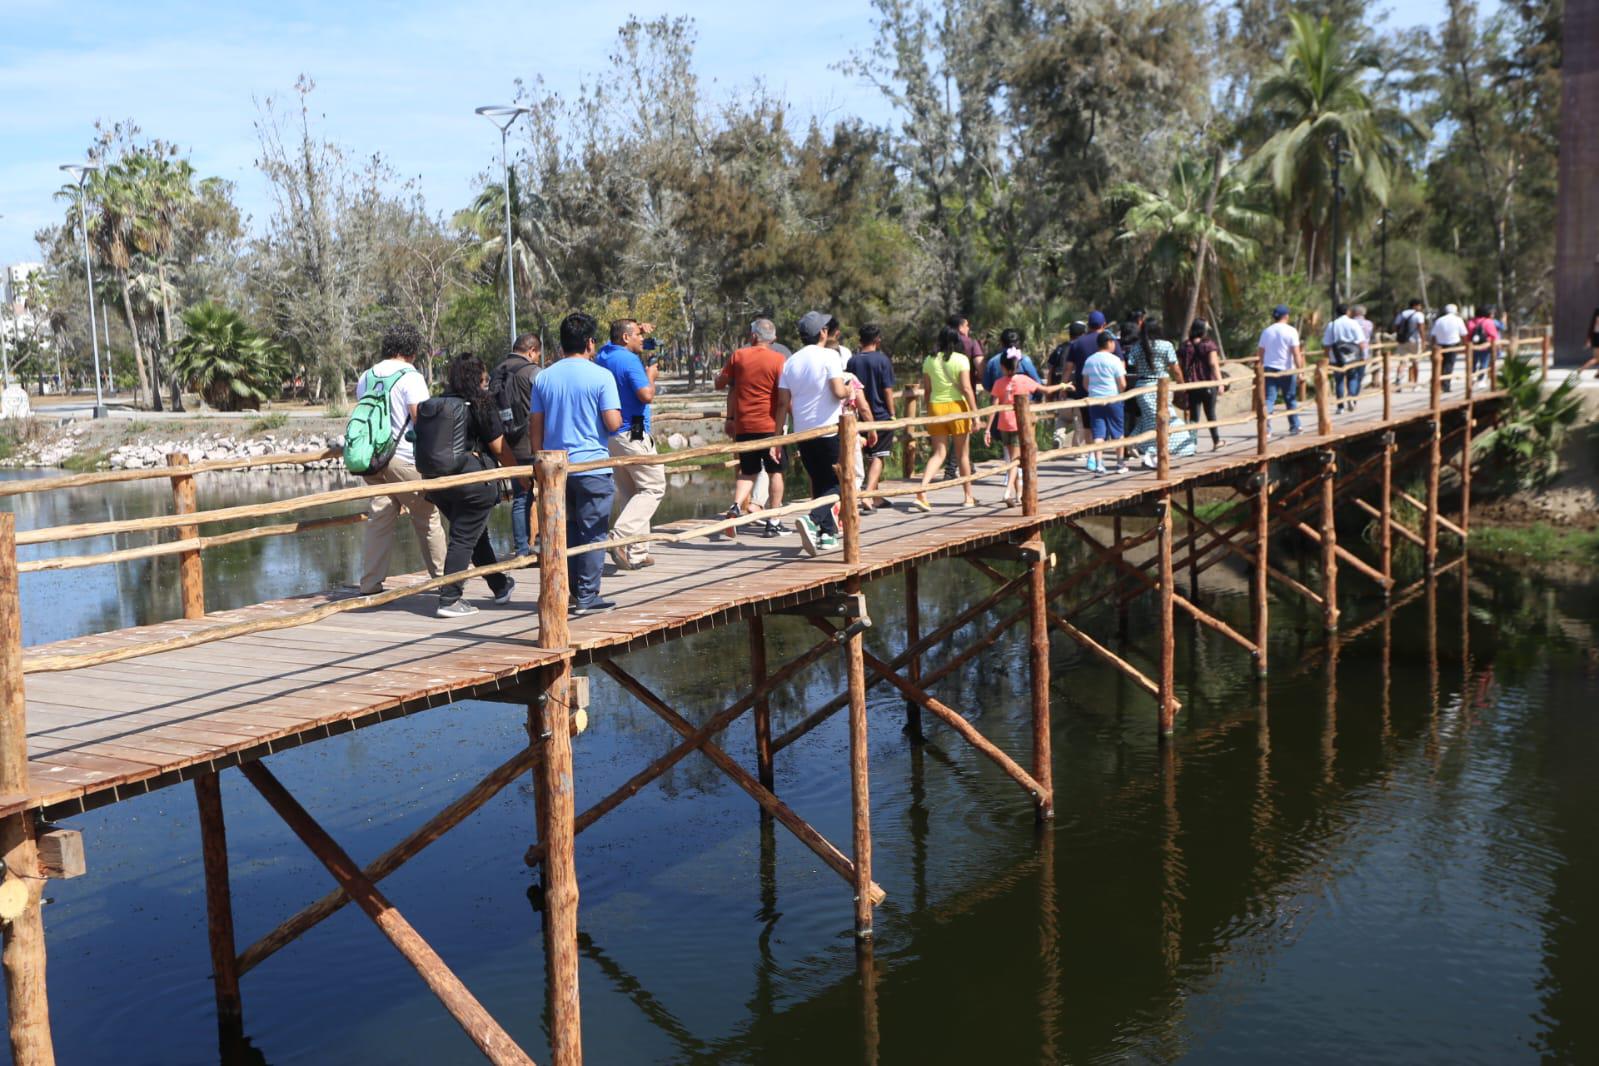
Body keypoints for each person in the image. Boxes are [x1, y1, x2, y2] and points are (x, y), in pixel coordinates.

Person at [529, 312, 623, 616]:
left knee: (564, 531)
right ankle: (587, 596)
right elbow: (612, 422)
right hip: (592, 466)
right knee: (593, 531)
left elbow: (536, 425)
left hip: (556, 470)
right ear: (590, 343)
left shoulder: (544, 376)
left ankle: (569, 593)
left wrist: (537, 463)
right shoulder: (601, 376)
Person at [423, 353, 521, 618]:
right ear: (477, 377)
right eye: (484, 377)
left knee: (474, 535)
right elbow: (499, 447)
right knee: (464, 537)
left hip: (437, 483)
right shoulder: (479, 402)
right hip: (472, 483)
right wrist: (519, 475)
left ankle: (500, 586)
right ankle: (449, 599)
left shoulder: (437, 403)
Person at [354, 322, 447, 595]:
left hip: (373, 460)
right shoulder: (411, 376)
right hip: (403, 459)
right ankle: (446, 583)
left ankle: (370, 584)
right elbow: (420, 420)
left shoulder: (366, 376)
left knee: (380, 518)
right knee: (427, 516)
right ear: (412, 350)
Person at [772, 310, 850, 556]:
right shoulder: (829, 356)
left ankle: (827, 534)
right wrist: (851, 390)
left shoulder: (791, 362)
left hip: (803, 433)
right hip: (828, 430)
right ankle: (812, 519)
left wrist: (778, 439)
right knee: (842, 481)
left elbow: (783, 403)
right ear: (823, 332)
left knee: (820, 481)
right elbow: (838, 391)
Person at [595, 319, 664, 570]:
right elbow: (646, 395)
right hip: (633, 429)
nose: (641, 340)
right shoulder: (629, 361)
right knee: (653, 487)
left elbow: (612, 336)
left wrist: (636, 327)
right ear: (625, 338)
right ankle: (619, 538)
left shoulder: (604, 354)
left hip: (612, 433)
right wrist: (651, 376)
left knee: (630, 492)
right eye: (637, 335)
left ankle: (637, 552)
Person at [716, 318, 790, 536]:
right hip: (770, 426)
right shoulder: (779, 360)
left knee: (748, 472)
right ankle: (773, 521)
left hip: (745, 426)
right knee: (775, 472)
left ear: (753, 336)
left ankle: (736, 506)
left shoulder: (738, 355)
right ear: (773, 339)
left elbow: (720, 384)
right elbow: (784, 398)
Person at [914, 324, 979, 511]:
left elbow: (927, 390)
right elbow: (966, 388)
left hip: (936, 407)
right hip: (957, 406)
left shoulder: (929, 360)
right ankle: (968, 496)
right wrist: (975, 415)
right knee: (962, 455)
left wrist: (928, 410)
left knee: (939, 453)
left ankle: (922, 490)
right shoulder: (961, 360)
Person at [496, 334, 543, 557]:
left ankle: (521, 549)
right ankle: (546, 542)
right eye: (538, 355)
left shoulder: (498, 371)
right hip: (533, 441)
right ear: (532, 351)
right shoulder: (532, 372)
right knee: (548, 492)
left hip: (506, 444)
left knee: (520, 495)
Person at [983, 349, 1044, 505]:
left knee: (1012, 460)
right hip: (1018, 425)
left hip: (1003, 425)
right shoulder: (1023, 380)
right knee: (1015, 461)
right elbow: (1044, 389)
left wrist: (988, 429)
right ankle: (1008, 492)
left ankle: (1018, 495)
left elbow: (993, 408)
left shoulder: (998, 383)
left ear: (1002, 366)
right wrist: (1063, 386)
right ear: (1017, 365)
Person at [848, 324, 898, 511]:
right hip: (879, 414)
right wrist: (892, 413)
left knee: (867, 455)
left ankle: (875, 497)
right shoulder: (882, 360)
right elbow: (887, 389)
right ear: (877, 340)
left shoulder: (853, 361)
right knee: (879, 456)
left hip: (859, 415)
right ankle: (868, 495)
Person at [1124, 317, 1183, 467]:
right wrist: (1182, 385)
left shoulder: (1137, 347)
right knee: (1160, 421)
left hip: (1143, 387)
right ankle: (1153, 456)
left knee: (1150, 419)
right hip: (1163, 387)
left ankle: (1133, 442)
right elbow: (1175, 369)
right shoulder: (1166, 345)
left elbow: (1131, 365)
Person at [1063, 310, 1110, 454]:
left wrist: (1063, 388)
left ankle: (1092, 455)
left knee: (1088, 424)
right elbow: (1121, 365)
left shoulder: (1077, 343)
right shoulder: (1109, 341)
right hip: (1107, 389)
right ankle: (1102, 455)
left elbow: (1068, 369)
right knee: (1105, 423)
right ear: (1104, 324)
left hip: (1084, 389)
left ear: (1088, 325)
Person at [1082, 330, 1128, 474]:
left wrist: (1094, 391)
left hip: (1095, 400)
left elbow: (1085, 383)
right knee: (1118, 432)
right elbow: (1123, 383)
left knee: (1098, 434)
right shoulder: (1114, 360)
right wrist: (1120, 392)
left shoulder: (1090, 360)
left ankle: (1099, 464)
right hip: (1113, 399)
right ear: (1109, 342)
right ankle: (1120, 463)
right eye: (1113, 342)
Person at [1255, 304, 1303, 435]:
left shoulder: (1267, 331)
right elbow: (1296, 353)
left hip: (1269, 368)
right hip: (1287, 369)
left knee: (1269, 399)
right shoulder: (1291, 331)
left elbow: (1260, 353)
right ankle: (1295, 426)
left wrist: (1259, 369)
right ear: (1286, 316)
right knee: (1290, 398)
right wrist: (1300, 372)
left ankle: (1266, 428)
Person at [1178, 319, 1223, 450]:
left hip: (1192, 385)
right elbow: (1213, 364)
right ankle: (1216, 441)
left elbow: (1180, 365)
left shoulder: (1185, 345)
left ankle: (1192, 445)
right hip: (1207, 383)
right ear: (1203, 329)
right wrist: (1220, 382)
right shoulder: (1208, 345)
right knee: (1211, 413)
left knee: (1194, 416)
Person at [1322, 303, 1365, 413]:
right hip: (1353, 356)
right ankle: (1351, 398)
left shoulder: (1332, 325)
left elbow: (1327, 344)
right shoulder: (1353, 323)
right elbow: (1361, 342)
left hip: (1337, 357)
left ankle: (1340, 407)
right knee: (1353, 378)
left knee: (1339, 381)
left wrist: (1326, 358)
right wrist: (1363, 356)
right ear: (1348, 312)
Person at [981, 328, 1042, 393]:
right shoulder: (1024, 360)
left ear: (1001, 343)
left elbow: (987, 386)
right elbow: (1037, 383)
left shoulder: (992, 362)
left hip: (1001, 401)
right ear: (1018, 342)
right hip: (1024, 400)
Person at [1430, 303, 1469, 391]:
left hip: (1440, 346)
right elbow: (1464, 334)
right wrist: (1466, 345)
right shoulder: (1458, 320)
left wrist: (1433, 345)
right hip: (1453, 345)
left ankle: (1438, 385)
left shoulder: (1439, 320)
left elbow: (1433, 335)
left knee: (1441, 365)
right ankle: (1446, 386)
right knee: (1449, 365)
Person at [1393, 298, 1426, 391]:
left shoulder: (1402, 314)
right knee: (1415, 362)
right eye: (1419, 305)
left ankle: (1399, 380)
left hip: (1403, 340)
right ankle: (1415, 384)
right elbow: (1421, 329)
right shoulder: (1419, 315)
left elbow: (1395, 327)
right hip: (1415, 340)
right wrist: (1423, 341)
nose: (1420, 307)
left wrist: (1400, 335)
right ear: (1415, 305)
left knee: (1402, 362)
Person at [1465, 305, 1501, 381]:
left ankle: (1472, 377)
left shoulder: (1470, 322)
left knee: (1472, 363)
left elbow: (1468, 335)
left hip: (1472, 346)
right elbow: (1494, 335)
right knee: (1483, 363)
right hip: (1485, 346)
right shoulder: (1488, 322)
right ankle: (1481, 378)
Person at [1047, 322, 1085, 388]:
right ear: (1083, 334)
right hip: (1077, 389)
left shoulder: (1060, 348)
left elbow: (1050, 370)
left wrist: (1049, 391)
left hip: (1059, 387)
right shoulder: (1083, 348)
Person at [1581, 306, 1599, 378]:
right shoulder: (1597, 314)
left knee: (1597, 358)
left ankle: (1598, 373)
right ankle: (1580, 370)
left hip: (1596, 338)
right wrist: (1589, 340)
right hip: (1597, 338)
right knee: (1597, 359)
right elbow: (1593, 326)